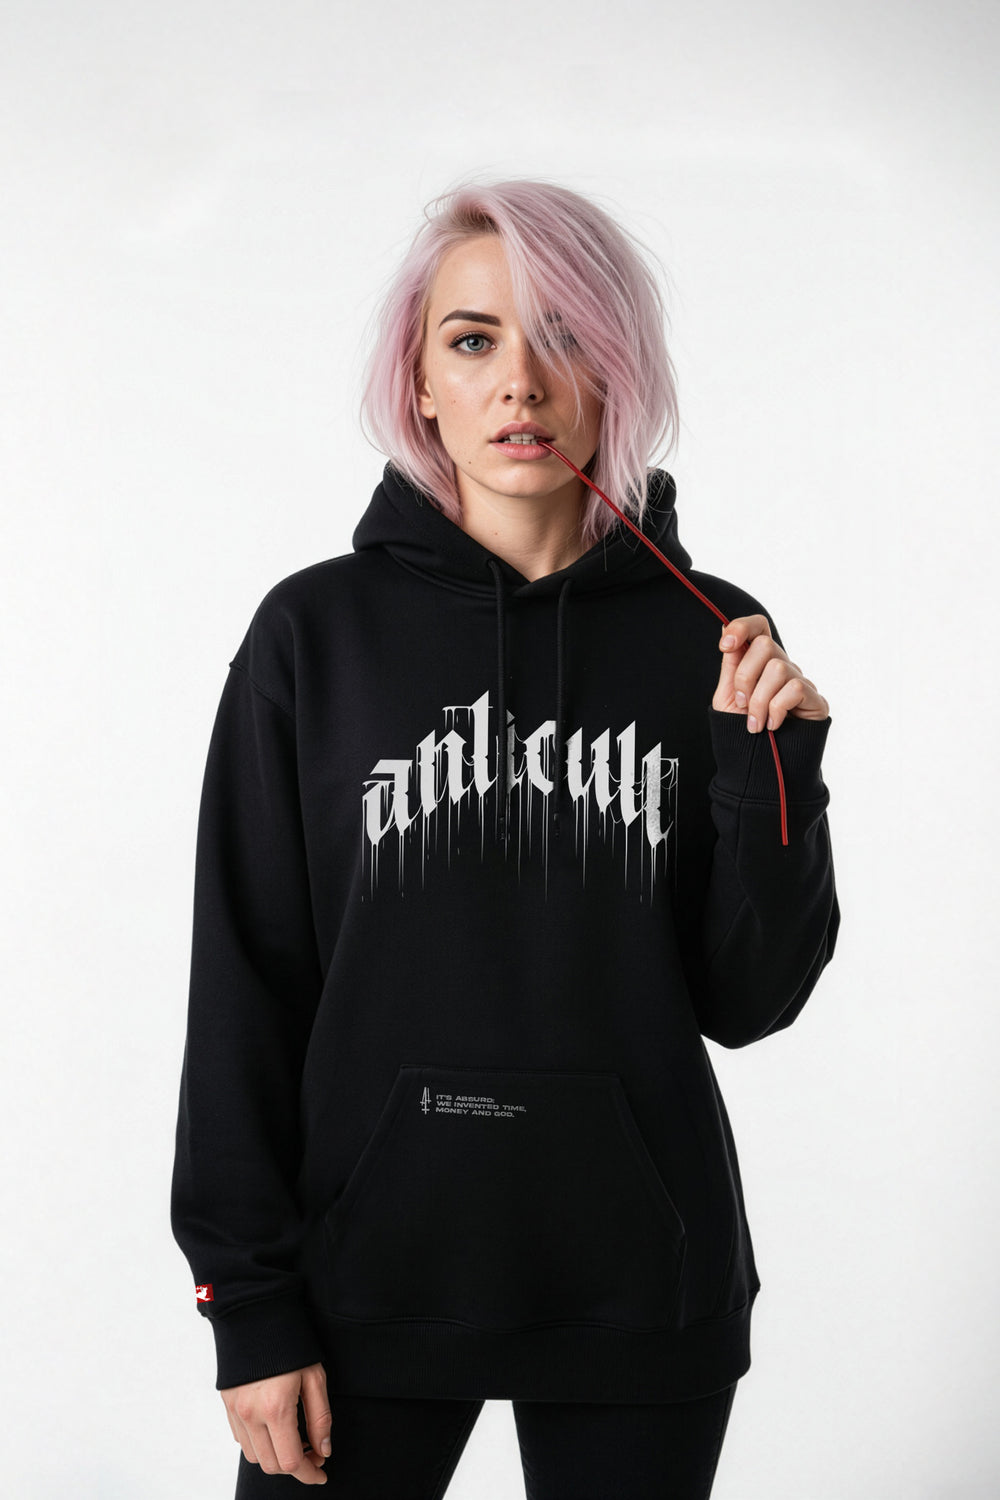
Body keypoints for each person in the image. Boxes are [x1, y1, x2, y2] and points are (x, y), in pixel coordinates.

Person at [170, 176, 839, 1498]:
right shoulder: (315, 636)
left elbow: (750, 1001)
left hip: (640, 1284)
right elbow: (246, 982)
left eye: (565, 336)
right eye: (473, 340)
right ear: (419, 383)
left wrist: (775, 777)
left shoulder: (710, 631)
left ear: (616, 371)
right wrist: (247, 1303)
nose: (520, 382)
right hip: (363, 1281)